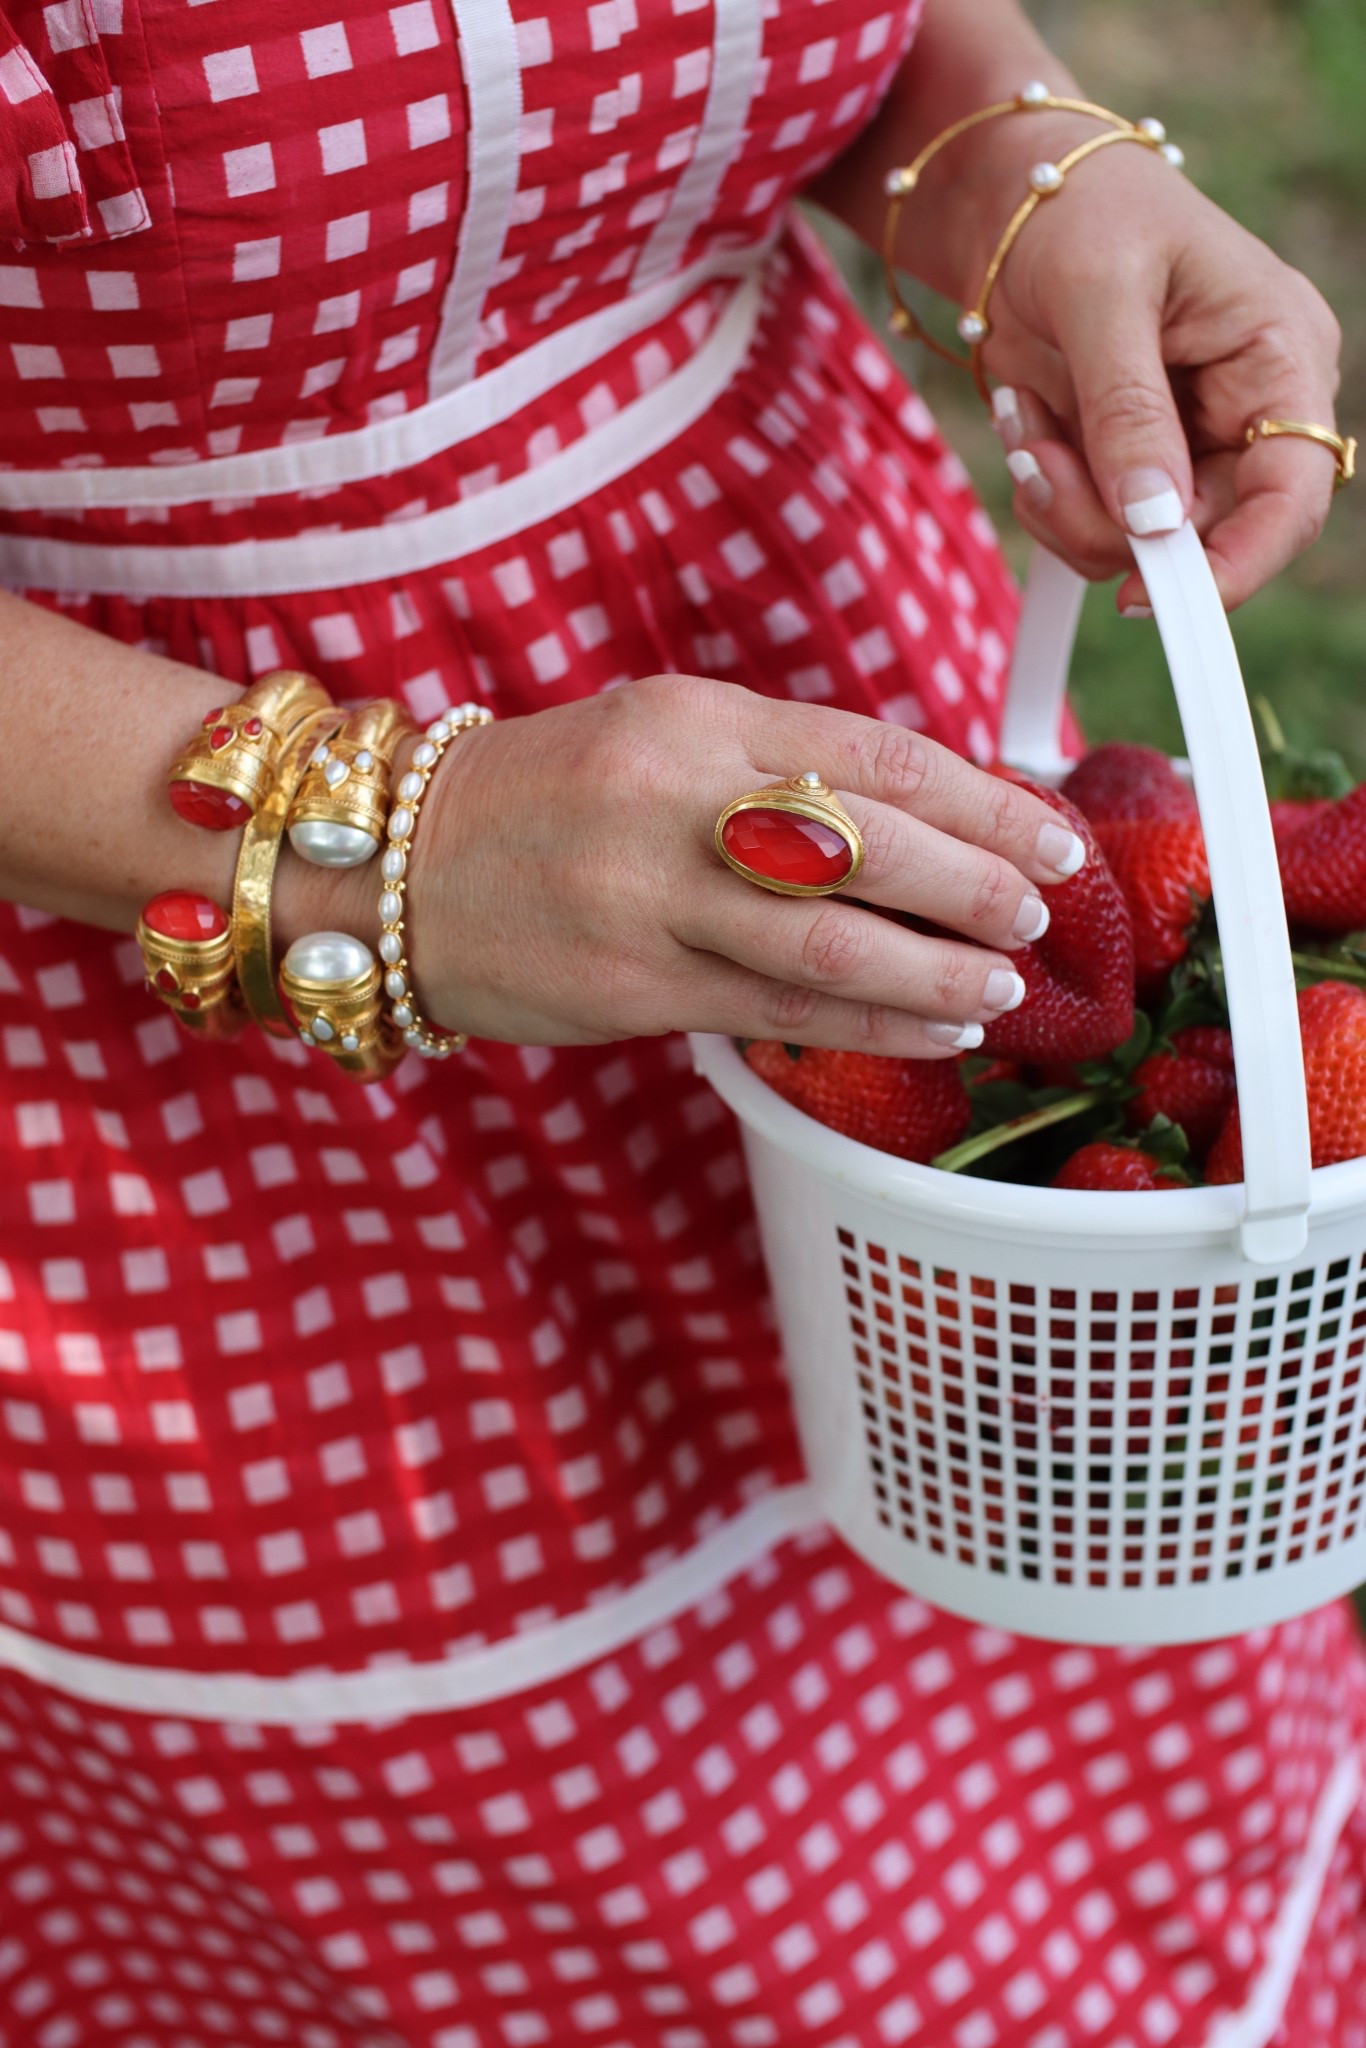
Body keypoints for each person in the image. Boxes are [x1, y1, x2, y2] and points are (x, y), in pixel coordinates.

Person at [0, 0, 1359, 2042]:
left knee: (1103, 1657)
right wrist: (386, 845)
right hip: (210, 1088)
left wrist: (1006, 156)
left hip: (857, 785)